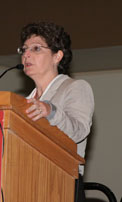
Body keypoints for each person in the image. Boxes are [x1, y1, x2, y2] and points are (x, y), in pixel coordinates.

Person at [17, 22, 94, 202]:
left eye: (36, 49)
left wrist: (51, 111)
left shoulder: (74, 88)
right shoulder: (22, 102)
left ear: (57, 56)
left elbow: (79, 130)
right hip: (24, 183)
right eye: (24, 49)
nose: (26, 54)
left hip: (61, 183)